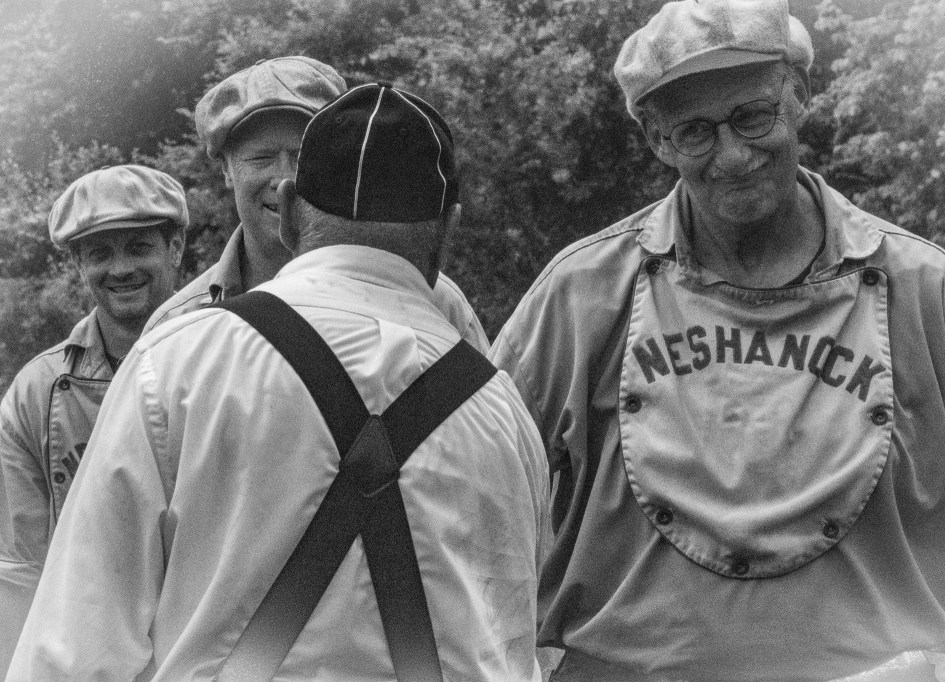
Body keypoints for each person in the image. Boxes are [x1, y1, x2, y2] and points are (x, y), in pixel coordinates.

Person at [489, 1, 945, 680]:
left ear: (798, 97)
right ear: (657, 140)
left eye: (752, 116)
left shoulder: (920, 286)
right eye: (695, 132)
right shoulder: (583, 294)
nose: (734, 155)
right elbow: (479, 490)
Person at [8, 82, 550, 680]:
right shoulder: (503, 410)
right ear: (448, 229)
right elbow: (515, 643)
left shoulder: (179, 359)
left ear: (290, 210)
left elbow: (77, 644)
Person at [144, 55, 490, 352]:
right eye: (261, 158)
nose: (282, 179)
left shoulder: (437, 302)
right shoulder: (177, 326)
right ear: (226, 170)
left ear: (340, 162)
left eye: (299, 156)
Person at [0, 164, 186, 675]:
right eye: (99, 253)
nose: (120, 267)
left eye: (139, 246)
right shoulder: (36, 392)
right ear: (78, 265)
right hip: (88, 658)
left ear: (176, 247)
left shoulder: (234, 360)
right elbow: (23, 568)